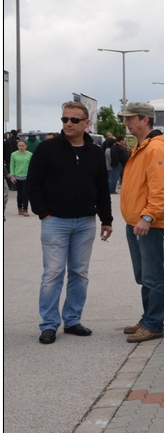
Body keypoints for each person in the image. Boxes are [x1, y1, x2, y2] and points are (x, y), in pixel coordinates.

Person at [25, 101, 114, 344]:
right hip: (55, 222)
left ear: (86, 123)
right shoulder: (47, 149)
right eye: (64, 119)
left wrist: (106, 219)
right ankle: (49, 325)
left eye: (74, 120)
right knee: (53, 273)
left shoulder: (95, 152)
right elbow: (33, 183)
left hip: (85, 222)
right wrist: (43, 213)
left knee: (79, 273)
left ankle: (73, 320)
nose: (68, 124)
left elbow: (102, 189)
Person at [118, 102, 164, 343]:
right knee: (144, 275)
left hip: (148, 223)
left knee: (153, 275)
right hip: (137, 222)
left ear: (145, 119)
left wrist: (148, 216)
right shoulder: (143, 146)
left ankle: (153, 324)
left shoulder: (156, 149)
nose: (126, 123)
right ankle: (148, 318)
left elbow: (162, 190)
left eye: (130, 118)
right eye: (125, 118)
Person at [9, 139, 32, 217]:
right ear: (17, 146)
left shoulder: (30, 154)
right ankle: (19, 208)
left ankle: (25, 209)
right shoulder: (14, 154)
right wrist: (12, 176)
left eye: (22, 146)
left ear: (26, 146)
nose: (21, 147)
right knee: (19, 194)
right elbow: (12, 165)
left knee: (25, 194)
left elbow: (32, 166)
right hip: (17, 177)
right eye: (19, 146)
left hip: (26, 177)